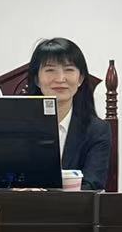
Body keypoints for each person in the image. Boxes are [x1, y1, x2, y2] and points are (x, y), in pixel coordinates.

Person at [16, 37, 110, 191]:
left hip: (73, 206)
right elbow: (2, 180)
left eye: (69, 69)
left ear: (80, 79)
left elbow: (92, 185)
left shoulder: (97, 130)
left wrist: (46, 195)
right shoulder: (17, 126)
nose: (60, 79)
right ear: (37, 79)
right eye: (50, 70)